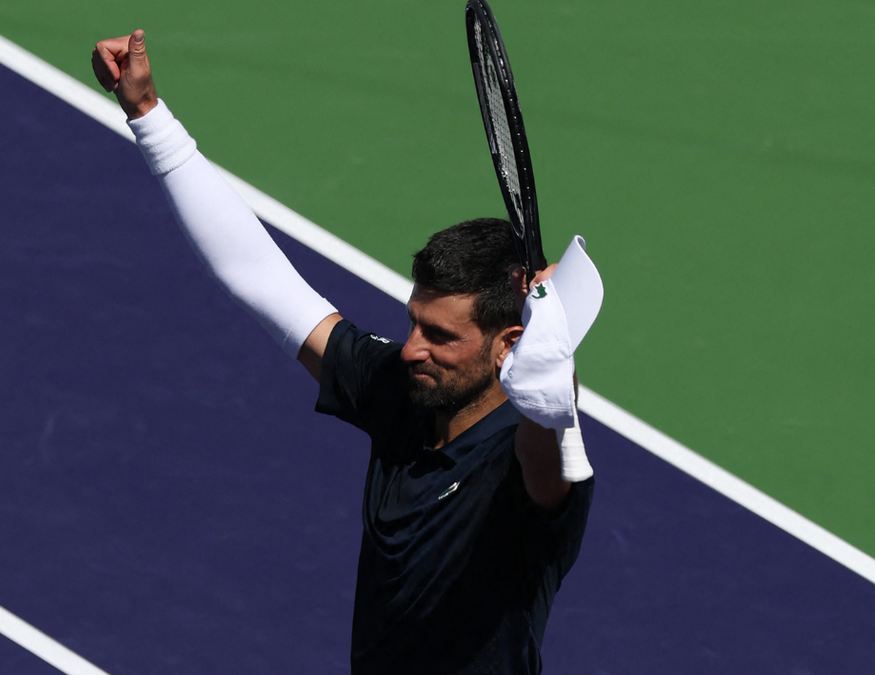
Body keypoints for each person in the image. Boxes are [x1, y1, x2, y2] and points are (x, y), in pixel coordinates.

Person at [92, 29, 598, 675]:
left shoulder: (523, 472)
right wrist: (147, 113)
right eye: (415, 322)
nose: (414, 348)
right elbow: (264, 281)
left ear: (510, 345)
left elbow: (547, 451)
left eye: (441, 336)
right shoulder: (403, 391)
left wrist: (557, 375)